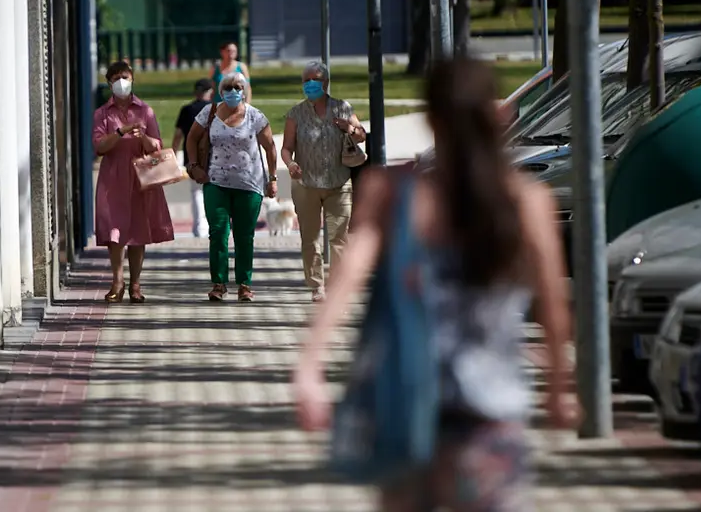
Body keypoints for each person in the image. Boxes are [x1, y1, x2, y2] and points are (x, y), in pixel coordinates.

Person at [293, 58, 579, 511]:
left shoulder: (394, 194)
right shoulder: (524, 199)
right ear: (498, 115)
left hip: (407, 407)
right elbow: (552, 304)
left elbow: (347, 277)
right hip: (491, 411)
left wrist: (310, 367)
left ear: (430, 118)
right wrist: (560, 388)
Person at [185, 72, 278, 302]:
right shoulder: (210, 112)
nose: (233, 91)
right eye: (228, 87)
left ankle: (244, 284)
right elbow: (192, 138)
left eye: (238, 87)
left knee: (244, 235)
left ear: (244, 90)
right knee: (218, 232)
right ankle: (219, 283)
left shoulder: (255, 116)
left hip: (249, 184)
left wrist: (273, 178)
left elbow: (270, 147)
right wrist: (194, 165)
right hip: (215, 182)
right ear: (220, 91)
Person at [282, 61, 366, 303]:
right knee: (310, 238)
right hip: (306, 184)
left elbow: (361, 135)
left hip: (338, 183)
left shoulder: (342, 107)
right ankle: (317, 285)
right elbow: (286, 148)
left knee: (339, 238)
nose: (309, 84)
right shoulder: (295, 114)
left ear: (326, 83)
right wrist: (290, 164)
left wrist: (349, 127)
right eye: (305, 80)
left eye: (315, 80)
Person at [92, 61, 174, 304]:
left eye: (125, 77)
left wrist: (144, 137)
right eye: (115, 78)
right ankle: (117, 280)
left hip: (141, 175)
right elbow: (99, 146)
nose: (121, 82)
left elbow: (157, 145)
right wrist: (120, 132)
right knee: (115, 231)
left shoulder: (145, 111)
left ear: (133, 79)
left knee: (138, 231)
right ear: (108, 83)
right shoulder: (102, 114)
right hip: (113, 176)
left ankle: (136, 283)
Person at [172, 78, 214, 238]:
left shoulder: (186, 110)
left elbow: (177, 136)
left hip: (191, 156)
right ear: (210, 92)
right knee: (213, 191)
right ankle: (212, 225)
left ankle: (199, 228)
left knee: (196, 192)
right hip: (212, 156)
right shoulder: (215, 109)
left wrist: (174, 156)